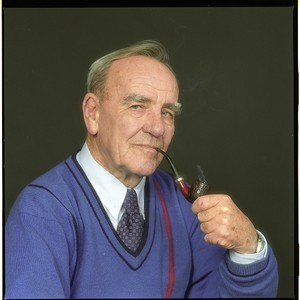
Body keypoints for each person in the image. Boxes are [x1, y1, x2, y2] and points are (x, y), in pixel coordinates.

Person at [5, 40, 278, 298]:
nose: (157, 128)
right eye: (137, 106)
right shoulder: (42, 210)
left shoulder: (183, 206)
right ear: (93, 113)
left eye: (167, 113)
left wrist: (248, 249)